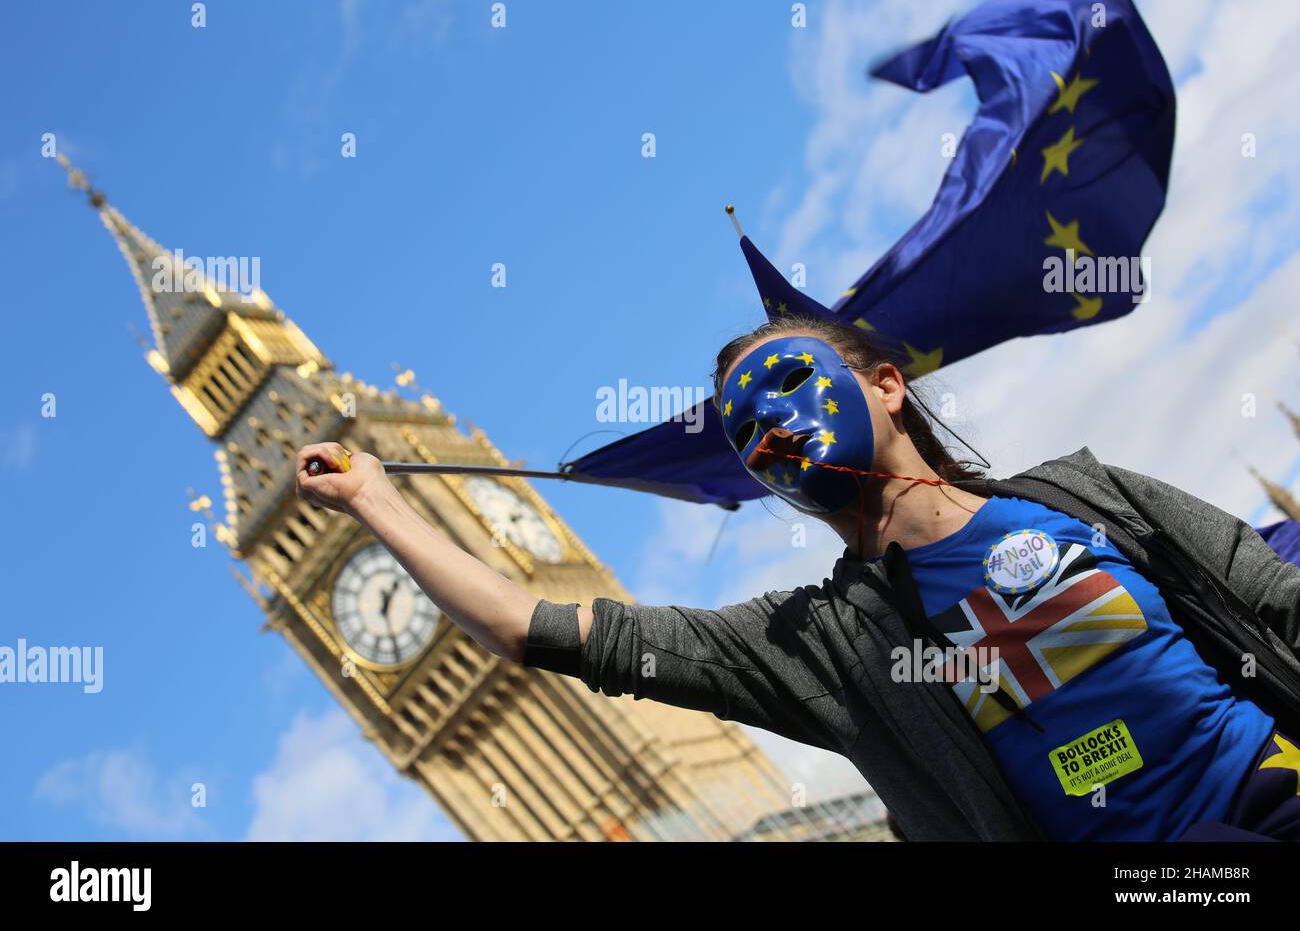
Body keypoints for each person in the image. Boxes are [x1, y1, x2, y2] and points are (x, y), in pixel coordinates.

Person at [295, 314, 1300, 841]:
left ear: (888, 386)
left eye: (788, 380)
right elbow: (536, 626)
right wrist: (379, 502)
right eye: (743, 425)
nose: (767, 418)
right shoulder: (816, 644)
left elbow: (1274, 601)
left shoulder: (1083, 496)